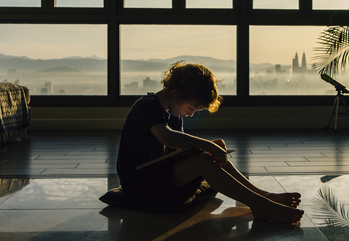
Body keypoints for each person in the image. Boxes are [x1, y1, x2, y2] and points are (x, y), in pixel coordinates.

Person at [117, 61, 303, 224]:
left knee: (212, 151)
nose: (190, 114)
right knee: (203, 158)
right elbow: (167, 137)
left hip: (158, 174)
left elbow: (176, 148)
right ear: (174, 93)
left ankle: (262, 195)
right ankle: (259, 205)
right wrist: (206, 146)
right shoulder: (146, 106)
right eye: (190, 108)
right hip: (139, 183)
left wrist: (210, 148)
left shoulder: (173, 112)